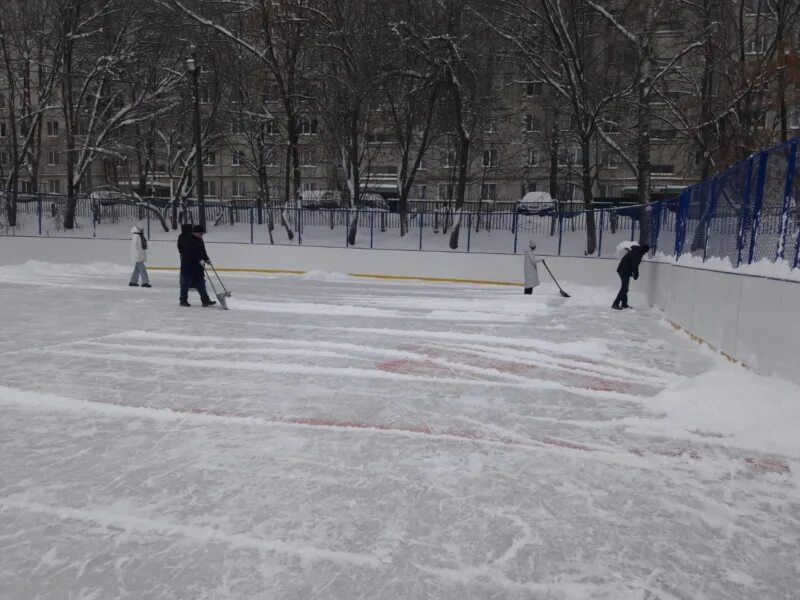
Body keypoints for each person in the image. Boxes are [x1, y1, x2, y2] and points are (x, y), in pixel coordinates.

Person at [179, 225, 216, 307]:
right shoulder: (189, 240)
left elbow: (203, 251)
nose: (202, 235)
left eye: (202, 233)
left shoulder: (199, 239)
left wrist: (206, 259)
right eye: (200, 233)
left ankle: (205, 300)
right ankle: (183, 300)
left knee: (201, 283)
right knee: (185, 284)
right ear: (195, 233)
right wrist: (199, 260)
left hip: (198, 267)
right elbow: (188, 253)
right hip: (188, 266)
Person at [612, 243, 649, 310]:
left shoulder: (637, 251)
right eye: (646, 252)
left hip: (624, 270)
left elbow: (634, 264)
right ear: (644, 250)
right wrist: (636, 274)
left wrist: (635, 274)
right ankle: (615, 304)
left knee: (625, 288)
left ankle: (624, 304)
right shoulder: (637, 253)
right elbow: (634, 265)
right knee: (624, 288)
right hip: (623, 270)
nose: (645, 254)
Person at [129, 223, 151, 288]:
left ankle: (133, 282)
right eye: (141, 229)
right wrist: (137, 256)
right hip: (138, 256)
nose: (142, 230)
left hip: (139, 256)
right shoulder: (136, 236)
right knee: (143, 269)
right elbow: (134, 247)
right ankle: (145, 282)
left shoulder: (139, 236)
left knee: (137, 270)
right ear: (138, 229)